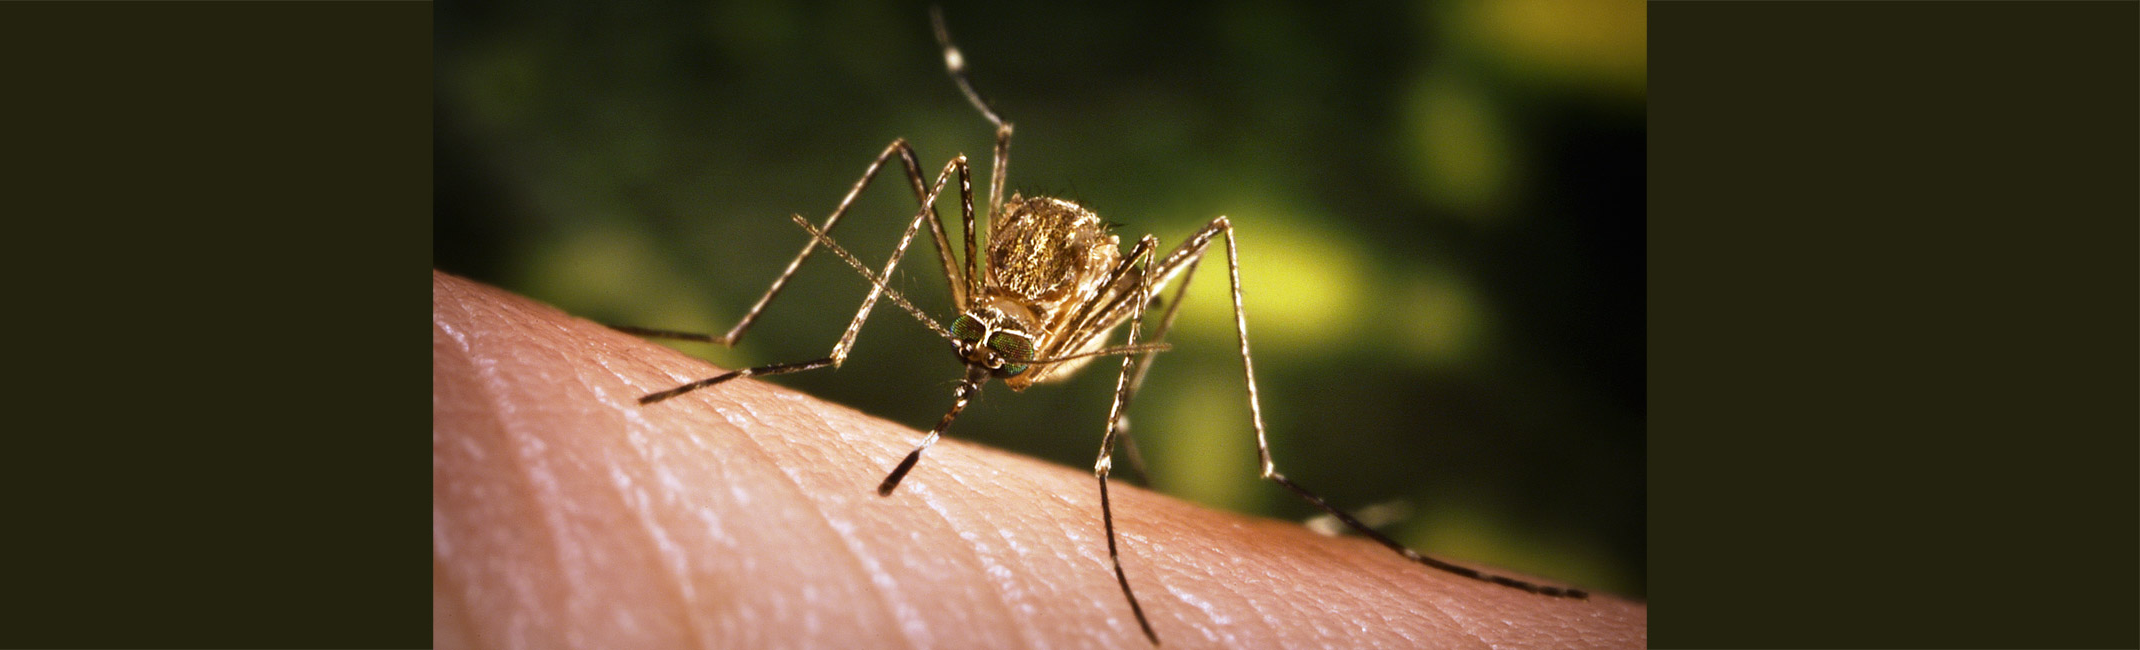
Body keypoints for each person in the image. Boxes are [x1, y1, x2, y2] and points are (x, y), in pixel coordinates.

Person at [433, 271, 1645, 648]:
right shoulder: (973, 302)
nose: (968, 370)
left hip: (1063, 311)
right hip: (1011, 285)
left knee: (1208, 236)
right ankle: (756, 343)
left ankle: (1228, 469)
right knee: (937, 159)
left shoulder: (1069, 329)